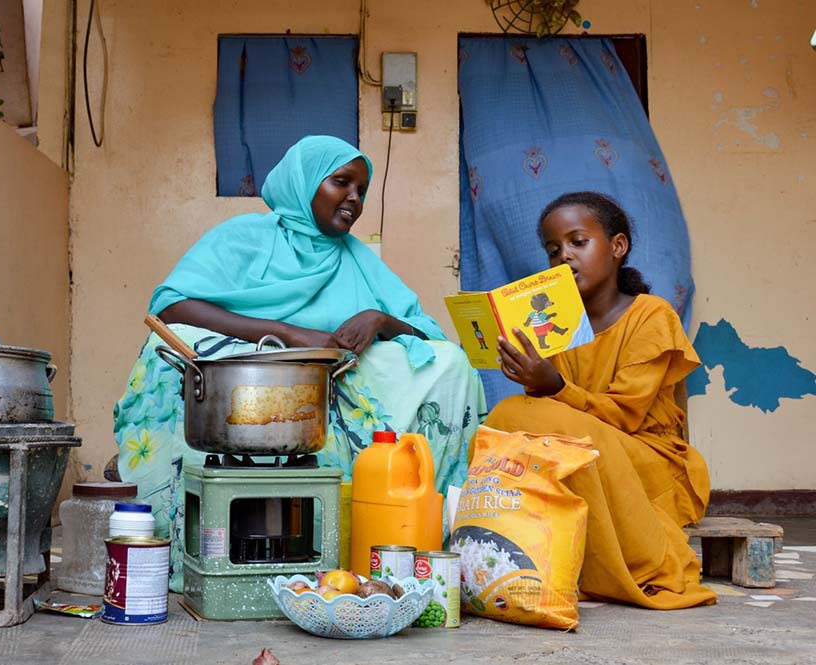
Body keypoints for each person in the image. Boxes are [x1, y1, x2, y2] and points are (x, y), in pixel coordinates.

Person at [114, 135, 486, 591]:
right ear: (303, 183)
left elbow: (427, 334)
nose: (354, 198)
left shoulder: (358, 261)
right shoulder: (245, 237)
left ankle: (414, 548)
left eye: (362, 190)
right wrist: (287, 336)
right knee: (181, 348)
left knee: (449, 364)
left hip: (334, 388)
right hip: (246, 389)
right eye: (341, 182)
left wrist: (380, 320)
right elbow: (169, 309)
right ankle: (182, 544)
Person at [485, 191, 716, 609]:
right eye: (553, 250)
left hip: (650, 459)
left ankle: (645, 563)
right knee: (506, 414)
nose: (564, 257)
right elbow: (550, 414)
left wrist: (553, 387)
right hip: (587, 447)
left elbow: (625, 416)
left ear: (617, 247)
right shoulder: (558, 326)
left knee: (557, 425)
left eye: (578, 242)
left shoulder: (651, 314)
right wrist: (532, 377)